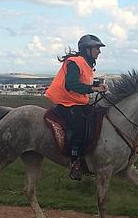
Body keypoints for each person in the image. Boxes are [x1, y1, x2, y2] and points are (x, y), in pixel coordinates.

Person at [45, 34, 108, 180]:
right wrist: (94, 89)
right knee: (79, 126)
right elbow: (72, 84)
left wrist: (97, 86)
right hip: (66, 101)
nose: (99, 51)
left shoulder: (87, 64)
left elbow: (84, 83)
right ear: (87, 50)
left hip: (78, 101)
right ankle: (75, 162)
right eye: (97, 48)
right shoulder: (74, 62)